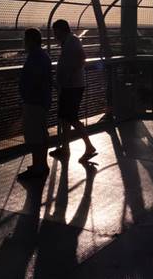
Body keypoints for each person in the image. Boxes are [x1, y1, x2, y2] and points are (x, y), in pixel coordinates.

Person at [50, 18, 97, 163]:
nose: (54, 35)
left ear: (60, 30)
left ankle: (88, 146)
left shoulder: (71, 41)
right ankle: (65, 148)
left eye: (55, 31)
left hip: (72, 87)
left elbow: (82, 58)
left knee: (71, 118)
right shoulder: (69, 41)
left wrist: (69, 76)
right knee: (65, 118)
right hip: (70, 86)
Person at [18, 27, 52, 180]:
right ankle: (41, 165)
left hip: (33, 102)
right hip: (41, 101)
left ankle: (38, 167)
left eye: (25, 40)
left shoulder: (35, 58)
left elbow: (34, 80)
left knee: (34, 136)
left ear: (30, 41)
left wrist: (26, 94)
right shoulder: (43, 56)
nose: (23, 43)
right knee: (41, 135)